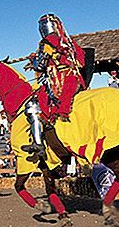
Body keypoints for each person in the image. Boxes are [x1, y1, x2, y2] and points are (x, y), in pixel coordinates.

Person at [23, 13, 87, 158]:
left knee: (32, 105)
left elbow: (40, 66)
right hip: (74, 78)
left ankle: (39, 144)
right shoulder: (68, 42)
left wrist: (33, 60)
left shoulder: (47, 42)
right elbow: (79, 61)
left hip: (60, 81)